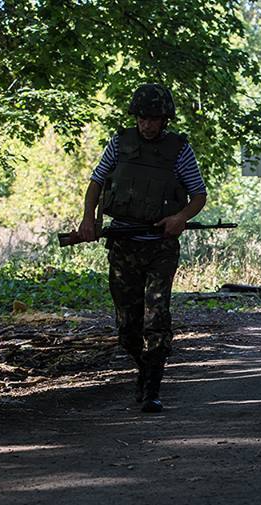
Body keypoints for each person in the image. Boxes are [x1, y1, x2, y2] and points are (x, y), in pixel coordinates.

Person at [78, 83, 207, 412]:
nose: (146, 125)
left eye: (153, 119)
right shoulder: (120, 144)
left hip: (159, 249)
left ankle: (152, 386)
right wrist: (88, 219)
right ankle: (144, 367)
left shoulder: (178, 150)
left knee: (156, 317)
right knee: (128, 326)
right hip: (123, 245)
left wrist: (179, 217)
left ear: (165, 119)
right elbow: (96, 182)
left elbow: (198, 195)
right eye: (142, 118)